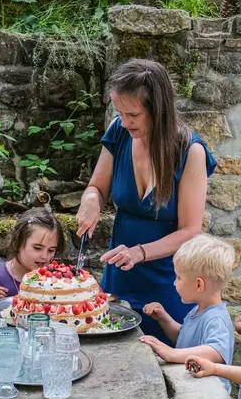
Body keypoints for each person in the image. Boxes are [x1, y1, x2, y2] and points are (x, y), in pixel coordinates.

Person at [75, 59, 217, 343]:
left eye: (133, 114)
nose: (124, 122)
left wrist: (140, 252)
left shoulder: (191, 151)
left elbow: (190, 230)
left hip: (171, 282)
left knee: (167, 357)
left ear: (158, 110)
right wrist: (90, 198)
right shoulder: (118, 131)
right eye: (120, 113)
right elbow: (97, 187)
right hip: (120, 275)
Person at [139, 234, 235, 369]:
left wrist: (172, 353)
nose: (174, 282)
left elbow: (217, 351)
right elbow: (184, 339)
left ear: (198, 285)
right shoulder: (198, 310)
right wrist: (164, 319)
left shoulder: (216, 319)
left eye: (179, 277)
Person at [0, 208, 62, 305]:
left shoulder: (56, 279)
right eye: (37, 248)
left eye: (51, 250)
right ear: (16, 244)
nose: (45, 256)